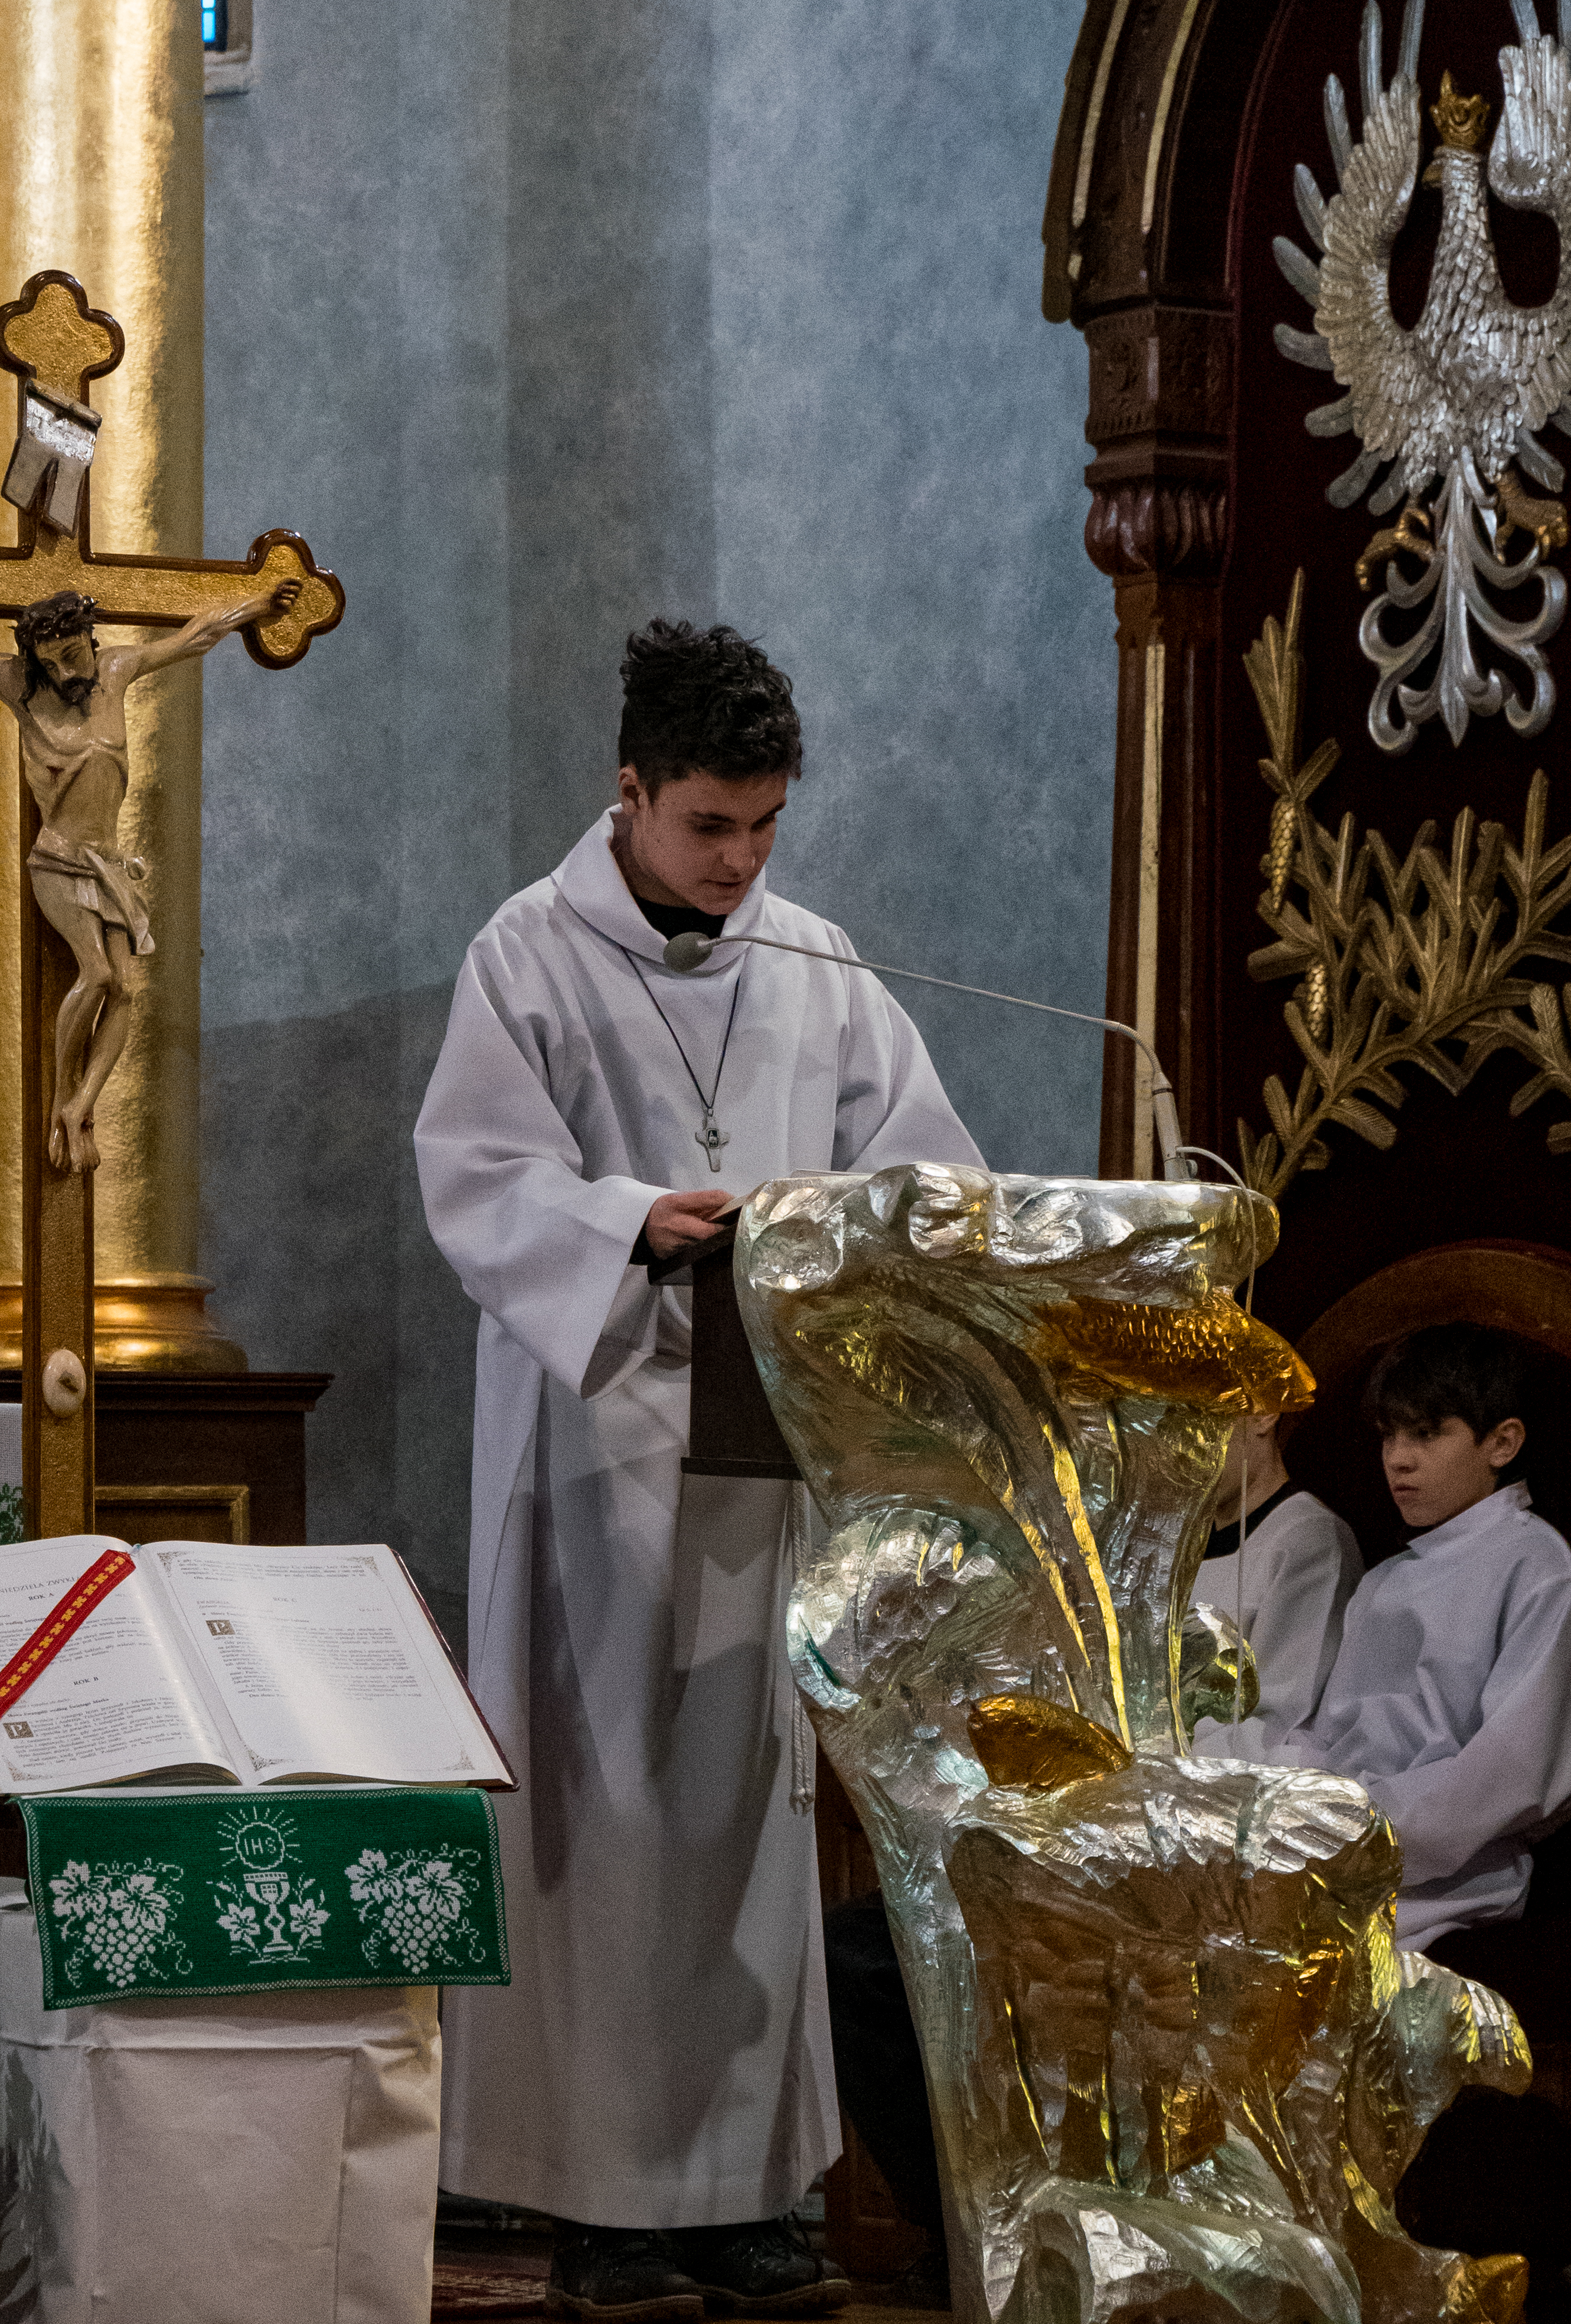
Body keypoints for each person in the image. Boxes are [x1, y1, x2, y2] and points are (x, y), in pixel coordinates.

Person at [416, 620, 982, 2323]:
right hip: (596, 1445)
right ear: (630, 791)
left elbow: (925, 1173)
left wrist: (834, 1237)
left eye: (762, 831)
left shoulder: (818, 959)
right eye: (707, 830)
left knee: (748, 1817)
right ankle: (600, 2207)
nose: (737, 868)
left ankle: (750, 2197)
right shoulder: (527, 956)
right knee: (608, 1822)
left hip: (760, 1440)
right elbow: (478, 1176)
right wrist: (626, 1221)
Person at [0, 555, 299, 1171]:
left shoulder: (118, 670)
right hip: (59, 859)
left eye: (74, 653)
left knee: (126, 986)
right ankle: (61, 1095)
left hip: (110, 864)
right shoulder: (21, 688)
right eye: (52, 660)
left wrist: (256, 604)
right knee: (96, 974)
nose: (68, 669)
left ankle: (81, 1105)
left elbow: (195, 634)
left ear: (90, 640)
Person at [1286, 1323, 1571, 1952]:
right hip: (1335, 1850)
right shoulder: (1383, 1582)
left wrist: (1352, 1833)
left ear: (1502, 1442)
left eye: (1426, 1432)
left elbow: (1509, 1774)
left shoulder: (1538, 1568)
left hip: (1454, 1882)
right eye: (1388, 1433)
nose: (1398, 1457)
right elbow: (1332, 1738)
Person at [1188, 1403, 1361, 1757]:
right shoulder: (1181, 1541)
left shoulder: (1307, 1538)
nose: (1183, 1446)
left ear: (1263, 1413)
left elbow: (1278, 1723)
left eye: (1199, 1417)